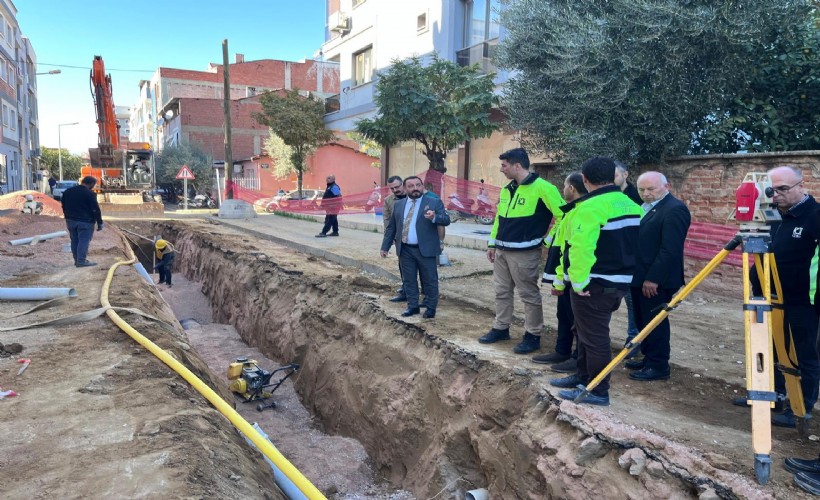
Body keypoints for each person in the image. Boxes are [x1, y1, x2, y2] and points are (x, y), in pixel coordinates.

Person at [549, 157, 642, 406]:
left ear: (585, 180)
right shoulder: (631, 205)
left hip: (594, 284)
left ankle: (598, 390)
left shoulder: (590, 208)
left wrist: (577, 283)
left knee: (594, 337)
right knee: (584, 331)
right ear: (613, 177)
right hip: (618, 282)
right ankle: (582, 377)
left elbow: (580, 248)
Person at [738, 166, 820, 428]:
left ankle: (802, 407)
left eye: (783, 189)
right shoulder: (772, 217)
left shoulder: (815, 217)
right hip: (768, 296)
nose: (777, 195)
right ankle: (771, 396)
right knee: (769, 349)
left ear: (801, 186)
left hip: (802, 302)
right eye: (771, 190)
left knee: (802, 354)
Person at [478, 148, 565, 354]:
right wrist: (492, 244)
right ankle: (501, 328)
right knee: (501, 291)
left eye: (504, 165)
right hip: (501, 250)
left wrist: (547, 241)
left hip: (525, 253)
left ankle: (533, 335)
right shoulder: (507, 188)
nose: (501, 169)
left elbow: (564, 216)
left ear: (517, 166)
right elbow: (499, 218)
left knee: (528, 294)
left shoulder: (544, 188)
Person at [624, 172, 691, 381]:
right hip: (639, 275)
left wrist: (653, 278)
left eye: (651, 189)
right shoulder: (646, 207)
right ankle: (648, 358)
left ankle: (659, 365)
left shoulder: (674, 209)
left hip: (656, 280)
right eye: (642, 189)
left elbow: (669, 249)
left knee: (656, 321)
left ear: (666, 186)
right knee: (643, 320)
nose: (646, 193)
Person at [534, 172, 587, 367]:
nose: (563, 190)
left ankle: (576, 358)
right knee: (563, 313)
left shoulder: (583, 211)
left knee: (577, 318)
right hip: (563, 272)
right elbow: (562, 242)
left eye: (564, 186)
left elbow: (578, 248)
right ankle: (562, 351)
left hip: (575, 275)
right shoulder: (569, 210)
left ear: (572, 188)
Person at [380, 176, 450, 319]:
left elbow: (446, 220)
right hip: (405, 249)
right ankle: (412, 306)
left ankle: (430, 308)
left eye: (418, 185)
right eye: (411, 186)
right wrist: (385, 246)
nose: (415, 188)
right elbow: (392, 227)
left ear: (422, 186)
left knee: (429, 280)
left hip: (425, 249)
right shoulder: (399, 205)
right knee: (409, 279)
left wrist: (435, 217)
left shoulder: (433, 202)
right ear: (405, 189)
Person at [614, 161, 643, 356]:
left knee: (632, 302)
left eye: (616, 174)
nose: (613, 178)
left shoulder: (636, 198)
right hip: (615, 258)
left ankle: (633, 339)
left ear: (625, 174)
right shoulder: (610, 197)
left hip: (632, 258)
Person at [61, 176, 104, 267]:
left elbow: (63, 205)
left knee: (74, 240)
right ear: (91, 184)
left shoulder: (68, 191)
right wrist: (99, 222)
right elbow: (95, 209)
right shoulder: (90, 193)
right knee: (83, 240)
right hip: (86, 221)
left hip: (70, 220)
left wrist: (67, 216)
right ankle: (81, 261)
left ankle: (77, 260)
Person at [383, 175, 408, 302]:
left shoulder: (414, 197)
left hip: (415, 237)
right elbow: (387, 221)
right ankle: (405, 290)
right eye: (392, 188)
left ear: (403, 184)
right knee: (403, 266)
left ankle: (425, 292)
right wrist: (390, 238)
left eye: (397, 187)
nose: (395, 190)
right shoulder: (388, 201)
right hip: (400, 238)